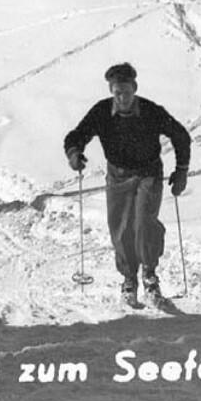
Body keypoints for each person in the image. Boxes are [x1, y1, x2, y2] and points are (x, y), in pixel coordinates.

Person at [62, 63, 191, 307]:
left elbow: (180, 136)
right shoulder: (101, 112)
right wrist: (74, 153)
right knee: (119, 229)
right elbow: (76, 135)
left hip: (148, 173)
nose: (122, 98)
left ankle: (150, 276)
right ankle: (129, 279)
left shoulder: (151, 111)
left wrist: (181, 170)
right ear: (112, 91)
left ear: (135, 88)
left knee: (144, 222)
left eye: (127, 92)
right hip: (117, 175)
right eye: (117, 92)